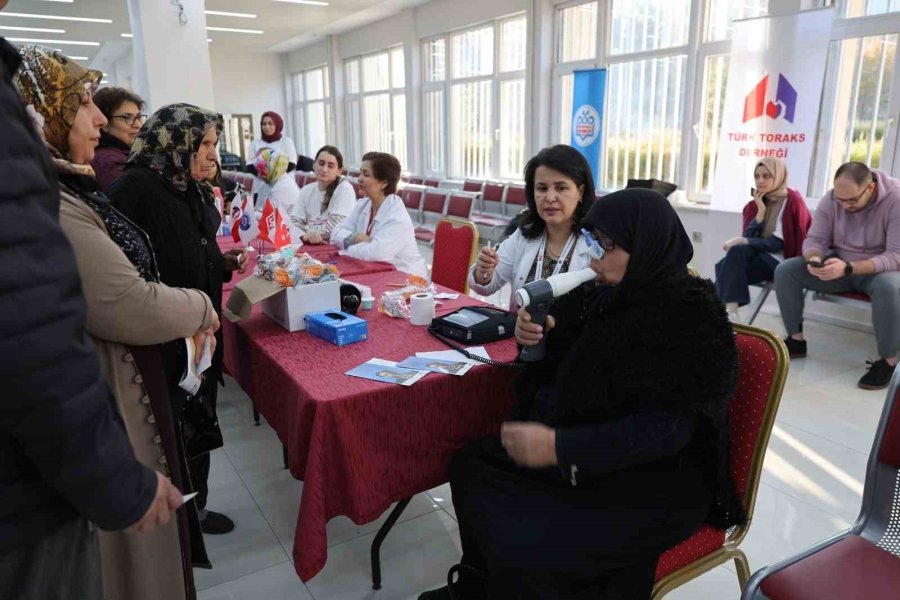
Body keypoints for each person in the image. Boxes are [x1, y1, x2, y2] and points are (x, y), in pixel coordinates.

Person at [420, 189, 745, 600]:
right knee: (473, 464)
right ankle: (479, 581)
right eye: (593, 242)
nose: (593, 257)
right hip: (589, 447)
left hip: (656, 478)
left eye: (606, 245)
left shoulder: (692, 317)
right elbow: (561, 354)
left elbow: (665, 431)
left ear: (645, 245)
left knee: (532, 537)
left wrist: (561, 447)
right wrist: (534, 336)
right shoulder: (605, 294)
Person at [16, 46, 219, 599]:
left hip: (160, 356)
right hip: (125, 377)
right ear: (43, 115)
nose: (102, 121)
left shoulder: (75, 188)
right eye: (84, 104)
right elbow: (126, 297)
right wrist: (201, 307)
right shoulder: (77, 197)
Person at [109, 103, 249, 535]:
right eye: (203, 143)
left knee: (197, 424)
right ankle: (174, 526)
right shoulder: (136, 188)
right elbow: (126, 272)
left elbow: (193, 248)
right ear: (175, 142)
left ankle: (195, 511)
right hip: (165, 341)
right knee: (170, 433)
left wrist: (220, 262)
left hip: (200, 337)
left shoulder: (189, 186)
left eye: (215, 144)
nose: (212, 154)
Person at [774, 161, 900, 390]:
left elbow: (895, 256)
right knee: (786, 270)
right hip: (840, 266)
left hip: (880, 271)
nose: (844, 206)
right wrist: (814, 259)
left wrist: (849, 267)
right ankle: (796, 340)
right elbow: (815, 240)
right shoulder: (832, 199)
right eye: (840, 199)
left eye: (851, 200)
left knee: (888, 287)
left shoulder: (896, 199)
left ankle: (888, 361)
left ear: (870, 188)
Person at [468, 145, 595, 311]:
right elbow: (485, 287)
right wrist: (483, 272)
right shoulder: (523, 235)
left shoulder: (596, 245)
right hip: (518, 327)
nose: (550, 198)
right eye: (542, 188)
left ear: (580, 192)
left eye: (561, 188)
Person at [714, 158, 812, 322]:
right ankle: (728, 313)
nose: (760, 181)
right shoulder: (755, 204)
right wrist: (760, 213)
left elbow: (777, 244)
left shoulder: (791, 201)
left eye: (766, 176)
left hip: (780, 262)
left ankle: (725, 312)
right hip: (759, 258)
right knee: (726, 264)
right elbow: (749, 237)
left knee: (725, 265)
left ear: (779, 176)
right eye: (757, 176)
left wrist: (743, 241)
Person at [330, 151, 427, 277]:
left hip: (406, 278)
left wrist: (345, 249)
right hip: (376, 271)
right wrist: (356, 237)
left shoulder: (397, 217)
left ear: (384, 183)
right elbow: (335, 234)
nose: (359, 179)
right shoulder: (362, 205)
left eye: (366, 175)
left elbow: (376, 253)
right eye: (360, 173)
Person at [291, 145, 357, 244]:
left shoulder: (344, 189)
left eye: (330, 166)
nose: (324, 169)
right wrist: (303, 236)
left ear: (339, 171)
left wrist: (309, 234)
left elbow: (336, 227)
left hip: (334, 246)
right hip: (308, 243)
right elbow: (294, 222)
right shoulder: (306, 190)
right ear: (314, 165)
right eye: (321, 163)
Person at [90, 86, 146, 190]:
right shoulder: (107, 160)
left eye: (138, 117)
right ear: (105, 124)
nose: (138, 125)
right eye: (127, 117)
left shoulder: (129, 153)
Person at [251, 148, 300, 214]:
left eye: (262, 171)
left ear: (272, 169)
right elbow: (258, 209)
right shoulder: (269, 182)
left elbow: (273, 216)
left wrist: (252, 214)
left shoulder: (283, 187)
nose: (259, 174)